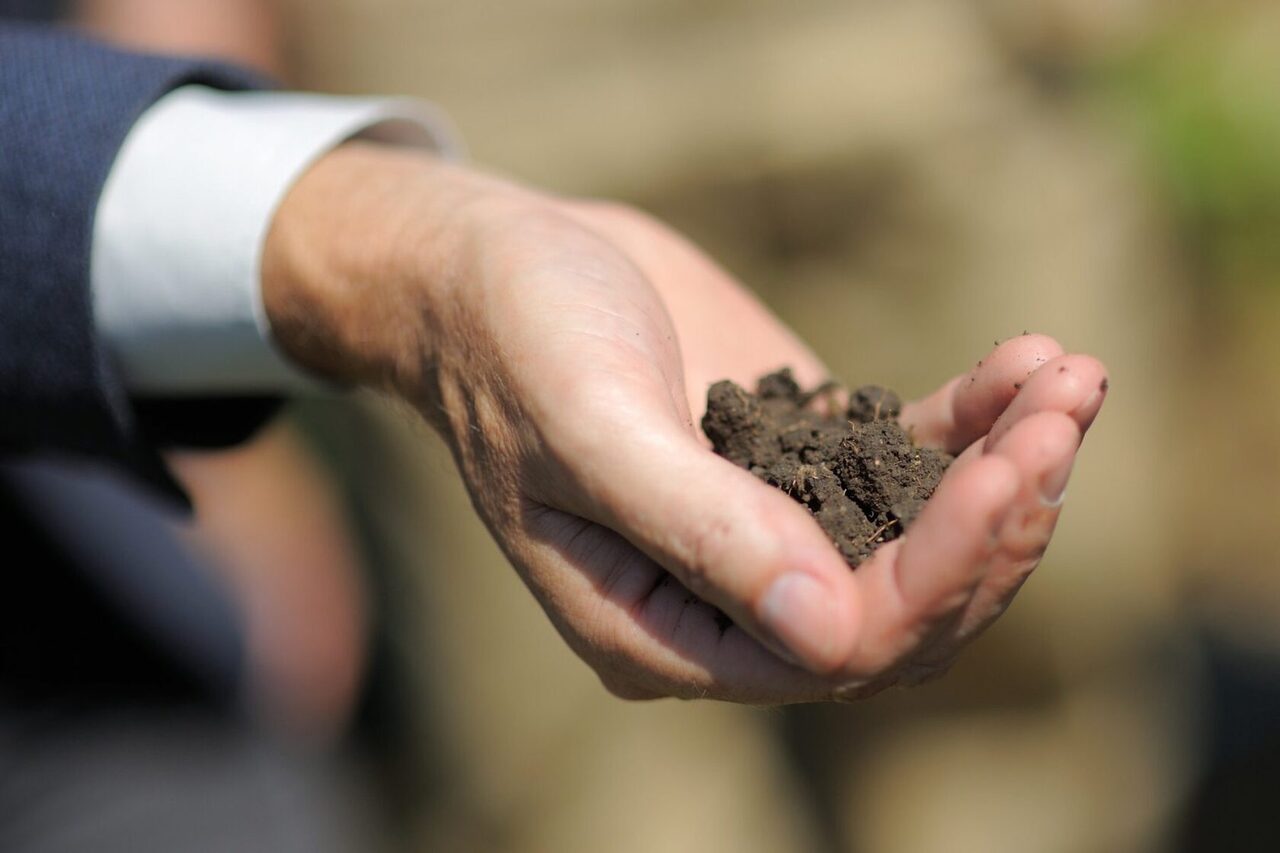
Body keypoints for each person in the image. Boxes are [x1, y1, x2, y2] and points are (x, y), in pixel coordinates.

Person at [1, 1, 1107, 847]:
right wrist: (391, 260)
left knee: (1025, 695)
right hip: (493, 67)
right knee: (568, 773)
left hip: (908, 53)